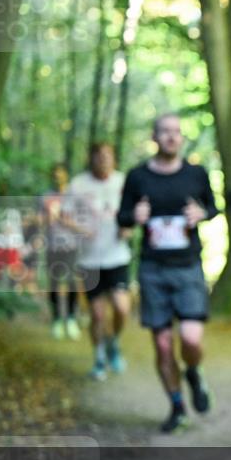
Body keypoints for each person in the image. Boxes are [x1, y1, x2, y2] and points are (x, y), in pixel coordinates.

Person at [117, 113, 219, 433]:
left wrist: (202, 213)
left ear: (181, 137)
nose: (172, 137)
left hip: (188, 266)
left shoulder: (196, 174)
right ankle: (177, 406)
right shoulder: (137, 176)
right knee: (162, 345)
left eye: (176, 132)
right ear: (154, 137)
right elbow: (121, 217)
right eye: (165, 132)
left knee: (190, 338)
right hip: (153, 269)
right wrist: (134, 216)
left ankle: (194, 372)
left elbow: (213, 208)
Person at [69, 142, 133, 381]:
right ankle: (98, 359)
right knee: (97, 315)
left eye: (107, 155)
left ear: (114, 158)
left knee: (122, 308)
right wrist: (81, 230)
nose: (103, 159)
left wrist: (128, 228)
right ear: (91, 159)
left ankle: (113, 342)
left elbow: (135, 213)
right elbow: (63, 216)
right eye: (98, 156)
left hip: (117, 257)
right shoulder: (78, 185)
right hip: (89, 261)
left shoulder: (123, 182)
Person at [41, 164, 81, 340]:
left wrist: (68, 222)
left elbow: (83, 222)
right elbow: (39, 220)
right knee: (54, 283)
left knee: (72, 281)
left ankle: (71, 318)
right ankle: (57, 319)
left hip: (71, 246)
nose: (57, 178)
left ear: (66, 176)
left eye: (60, 174)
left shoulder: (75, 196)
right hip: (52, 246)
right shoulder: (45, 196)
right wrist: (45, 218)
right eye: (55, 175)